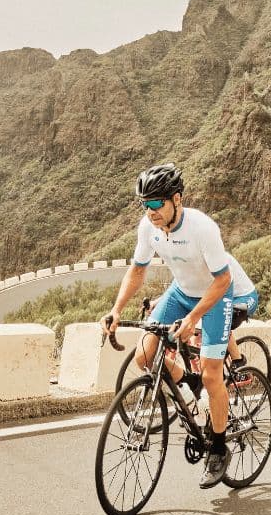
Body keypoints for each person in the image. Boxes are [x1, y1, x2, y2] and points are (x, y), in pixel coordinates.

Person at [101, 163, 258, 488]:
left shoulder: (202, 228)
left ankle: (217, 448)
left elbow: (222, 279)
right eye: (145, 204)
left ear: (177, 199)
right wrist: (116, 310)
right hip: (183, 291)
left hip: (221, 293)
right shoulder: (149, 227)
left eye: (157, 203)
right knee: (145, 356)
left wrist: (193, 319)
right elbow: (137, 271)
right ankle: (188, 383)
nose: (150, 211)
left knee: (213, 373)